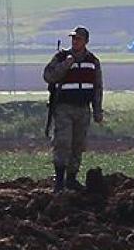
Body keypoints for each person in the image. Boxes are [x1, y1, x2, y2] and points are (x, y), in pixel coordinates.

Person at [42, 26, 103, 192]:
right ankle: (59, 182)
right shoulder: (61, 57)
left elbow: (97, 87)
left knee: (78, 144)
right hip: (64, 108)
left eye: (78, 39)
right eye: (73, 39)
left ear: (86, 41)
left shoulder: (92, 61)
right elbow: (48, 76)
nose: (75, 41)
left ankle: (72, 179)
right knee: (63, 143)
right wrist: (66, 65)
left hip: (83, 109)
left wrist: (97, 110)